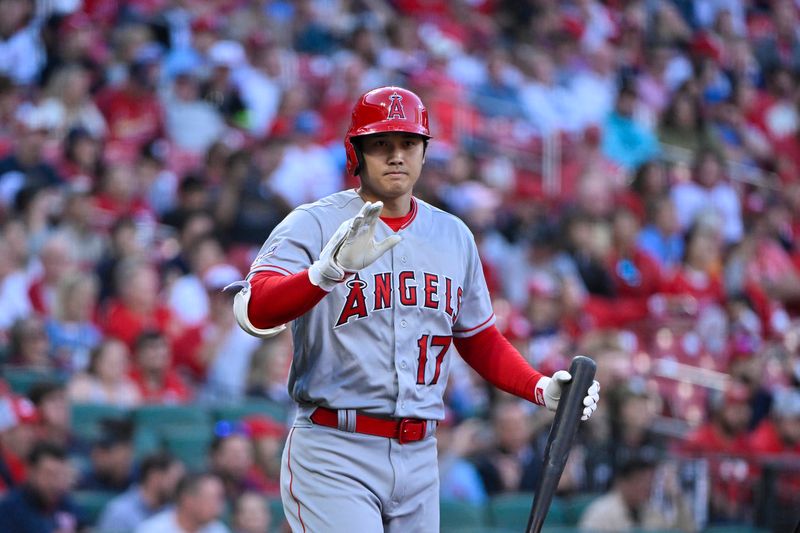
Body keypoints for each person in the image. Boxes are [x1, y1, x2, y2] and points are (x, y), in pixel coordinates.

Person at [229, 86, 600, 532]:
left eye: (408, 143)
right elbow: (253, 311)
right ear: (358, 153)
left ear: (424, 152)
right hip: (335, 448)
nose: (396, 155)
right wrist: (323, 274)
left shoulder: (453, 235)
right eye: (381, 144)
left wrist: (540, 388)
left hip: (421, 454)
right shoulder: (315, 222)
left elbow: (478, 338)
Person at [0, 442, 81, 533]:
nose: (55, 482)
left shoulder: (66, 503)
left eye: (61, 475)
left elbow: (83, 526)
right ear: (31, 472)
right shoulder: (8, 509)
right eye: (49, 474)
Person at [96, 452, 185, 533]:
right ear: (155, 476)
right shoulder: (119, 512)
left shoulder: (176, 512)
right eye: (176, 479)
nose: (180, 487)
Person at [135, 472, 229, 533]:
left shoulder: (218, 530)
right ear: (188, 500)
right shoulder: (152, 530)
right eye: (213, 499)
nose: (219, 507)